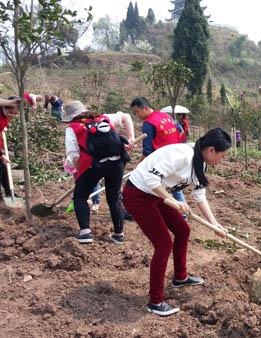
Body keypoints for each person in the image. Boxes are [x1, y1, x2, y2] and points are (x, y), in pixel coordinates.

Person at [122, 128, 231, 316]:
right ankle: (155, 301)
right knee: (163, 244)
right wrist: (172, 200)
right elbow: (150, 178)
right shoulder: (181, 155)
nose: (221, 160)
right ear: (211, 150)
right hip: (138, 195)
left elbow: (199, 195)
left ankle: (180, 277)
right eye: (222, 155)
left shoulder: (200, 163)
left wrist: (215, 224)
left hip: (157, 195)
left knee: (183, 230)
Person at [62, 101, 135, 244]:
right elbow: (126, 116)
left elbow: (74, 156)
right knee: (113, 198)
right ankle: (118, 234)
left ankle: (85, 233)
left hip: (93, 166)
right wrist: (131, 138)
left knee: (80, 197)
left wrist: (79, 174)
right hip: (117, 163)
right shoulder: (104, 118)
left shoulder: (73, 128)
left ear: (71, 117)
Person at [131, 97, 187, 207]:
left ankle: (174, 210)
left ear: (145, 108)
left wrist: (139, 165)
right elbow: (181, 131)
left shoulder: (148, 123)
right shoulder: (166, 116)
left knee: (152, 183)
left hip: (163, 159)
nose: (137, 116)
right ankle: (183, 211)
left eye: (137, 112)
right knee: (174, 184)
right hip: (178, 154)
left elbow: (148, 150)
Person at [0, 97, 21, 203]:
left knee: (4, 171)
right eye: (10, 113)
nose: (12, 116)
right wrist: (1, 155)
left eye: (15, 114)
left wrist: (3, 128)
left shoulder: (4, 116)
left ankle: (9, 193)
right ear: (4, 108)